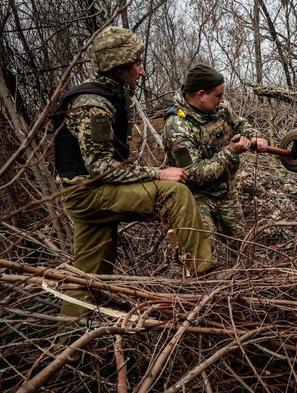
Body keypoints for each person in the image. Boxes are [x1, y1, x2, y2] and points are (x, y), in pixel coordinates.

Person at [54, 27, 215, 324]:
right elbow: (100, 167)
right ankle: (206, 279)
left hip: (84, 193)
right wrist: (158, 172)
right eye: (136, 64)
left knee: (90, 274)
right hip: (87, 193)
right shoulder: (95, 104)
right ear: (119, 67)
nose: (141, 71)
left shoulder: (110, 94)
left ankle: (69, 343)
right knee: (174, 193)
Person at [162, 64, 268, 259]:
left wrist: (254, 136)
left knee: (245, 250)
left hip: (225, 189)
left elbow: (240, 123)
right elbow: (194, 175)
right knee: (205, 257)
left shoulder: (220, 107)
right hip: (197, 197)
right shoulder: (177, 128)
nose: (223, 100)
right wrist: (230, 152)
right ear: (201, 94)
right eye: (218, 95)